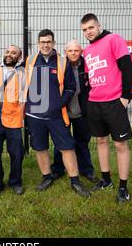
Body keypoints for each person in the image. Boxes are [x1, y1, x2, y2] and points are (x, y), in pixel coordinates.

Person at [24, 29, 91, 197]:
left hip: (56, 115)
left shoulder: (62, 62)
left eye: (48, 41)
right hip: (34, 115)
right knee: (40, 148)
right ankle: (46, 177)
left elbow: (70, 87)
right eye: (42, 42)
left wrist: (59, 104)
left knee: (67, 147)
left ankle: (75, 181)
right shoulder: (30, 60)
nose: (45, 44)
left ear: (53, 43)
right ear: (38, 44)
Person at [80, 13, 132, 203]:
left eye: (91, 28)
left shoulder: (114, 39)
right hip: (95, 103)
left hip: (114, 101)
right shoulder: (86, 51)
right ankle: (106, 180)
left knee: (120, 144)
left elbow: (128, 68)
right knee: (101, 141)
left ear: (99, 26)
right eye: (84, 30)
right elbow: (89, 78)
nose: (88, 32)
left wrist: (125, 97)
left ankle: (123, 187)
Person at [51, 40, 99, 183]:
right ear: (65, 52)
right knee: (61, 144)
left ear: (81, 51)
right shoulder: (59, 65)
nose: (73, 53)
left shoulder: (87, 66)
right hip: (63, 111)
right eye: (70, 51)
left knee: (82, 142)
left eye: (76, 51)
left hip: (82, 112)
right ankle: (58, 169)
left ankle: (87, 170)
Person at [0, 43, 26, 197]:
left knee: (16, 154)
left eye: (14, 53)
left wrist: (19, 118)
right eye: (8, 51)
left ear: (19, 57)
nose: (9, 54)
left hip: (13, 121)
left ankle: (15, 181)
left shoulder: (22, 74)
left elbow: (23, 99)